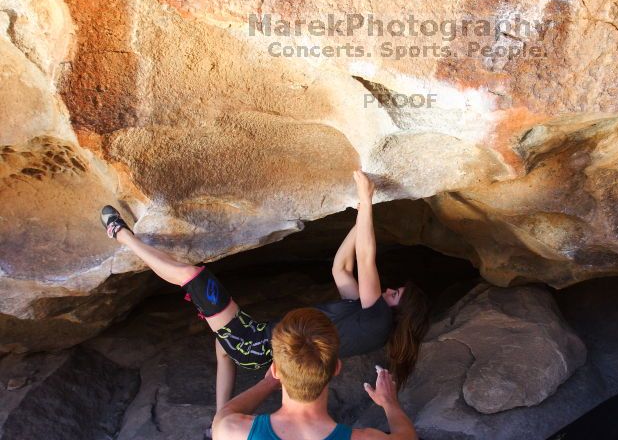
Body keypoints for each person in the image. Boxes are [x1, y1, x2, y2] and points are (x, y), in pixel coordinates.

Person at [100, 170, 430, 413]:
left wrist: (368, 198)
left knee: (193, 275)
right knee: (223, 347)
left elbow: (365, 258)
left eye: (395, 294)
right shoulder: (365, 320)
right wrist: (360, 218)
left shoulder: (379, 319)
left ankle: (122, 236)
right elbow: (341, 268)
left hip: (258, 343)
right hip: (257, 343)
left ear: (401, 310)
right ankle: (220, 414)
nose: (388, 291)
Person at [212, 307, 420, 440]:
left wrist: (268, 383)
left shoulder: (232, 432)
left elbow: (226, 412)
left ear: (275, 370)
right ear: (336, 368)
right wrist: (389, 402)